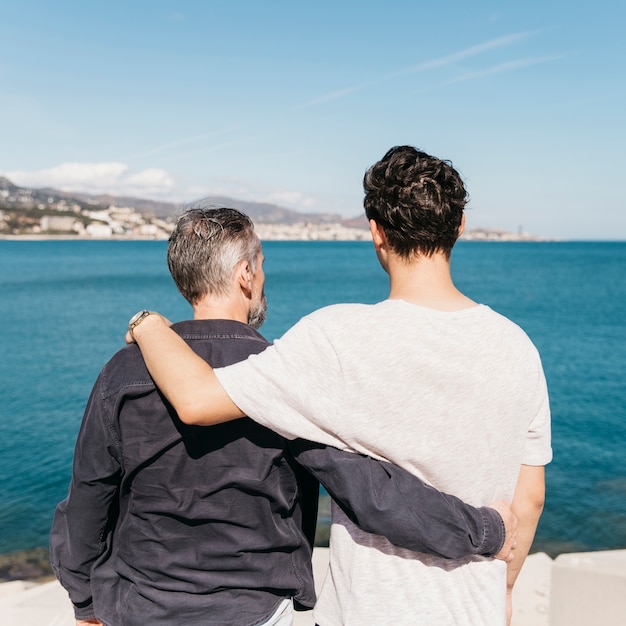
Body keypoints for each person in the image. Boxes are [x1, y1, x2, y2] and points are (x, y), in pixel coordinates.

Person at [127, 148, 551, 626]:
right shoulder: (518, 348)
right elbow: (529, 498)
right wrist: (505, 590)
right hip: (477, 608)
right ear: (460, 226)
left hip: (368, 611)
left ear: (376, 232)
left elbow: (196, 400)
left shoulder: (337, 336)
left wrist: (147, 325)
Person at [51, 207, 516, 626]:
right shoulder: (283, 373)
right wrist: (485, 529)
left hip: (136, 605)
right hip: (251, 610)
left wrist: (85, 602)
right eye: (263, 266)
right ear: (245, 275)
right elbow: (370, 492)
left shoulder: (123, 370)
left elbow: (89, 497)